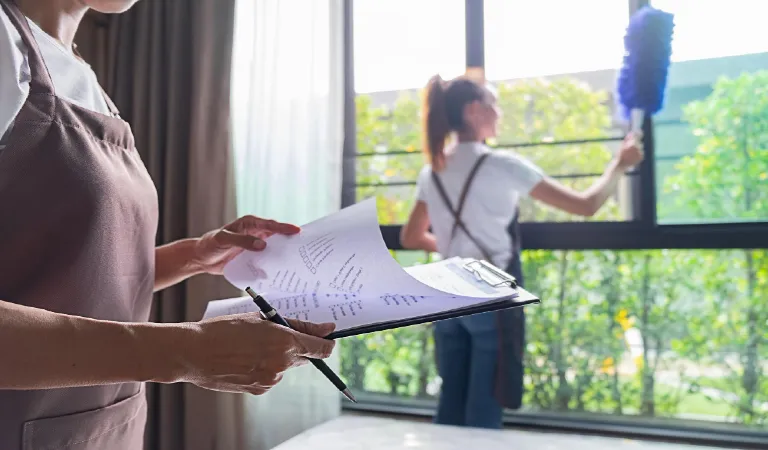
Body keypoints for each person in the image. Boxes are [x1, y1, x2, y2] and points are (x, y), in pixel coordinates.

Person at [0, 0, 335, 448]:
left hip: (99, 428)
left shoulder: (81, 74)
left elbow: (62, 274)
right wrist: (185, 351)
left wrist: (192, 255)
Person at [400, 74, 643, 429]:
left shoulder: (432, 170)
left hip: (445, 295)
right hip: (488, 297)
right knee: (486, 400)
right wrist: (620, 164)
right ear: (473, 110)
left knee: (451, 398)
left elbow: (410, 236)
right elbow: (586, 205)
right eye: (493, 104)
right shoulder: (502, 166)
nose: (499, 112)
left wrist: (455, 252)